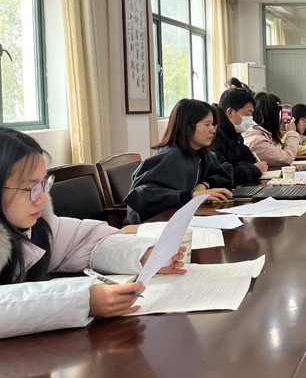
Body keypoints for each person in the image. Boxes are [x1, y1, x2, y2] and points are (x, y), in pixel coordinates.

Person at [0, 127, 186, 339]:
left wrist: (144, 255)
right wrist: (84, 300)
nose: (42, 197)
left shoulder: (38, 224)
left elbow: (85, 240)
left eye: (44, 184)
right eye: (31, 188)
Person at [124, 99, 233, 225]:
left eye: (213, 125)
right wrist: (192, 196)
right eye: (207, 125)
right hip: (151, 226)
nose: (213, 130)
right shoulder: (169, 157)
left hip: (180, 218)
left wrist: (204, 185)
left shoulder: (201, 154)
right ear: (187, 127)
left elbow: (224, 170)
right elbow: (142, 195)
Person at [212, 88, 269, 183]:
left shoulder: (234, 132)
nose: (250, 119)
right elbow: (222, 172)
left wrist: (238, 167)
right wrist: (253, 169)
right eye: (247, 114)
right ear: (230, 112)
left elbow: (250, 159)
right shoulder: (213, 134)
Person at [243, 92, 300, 167]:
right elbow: (286, 158)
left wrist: (281, 131)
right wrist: (291, 133)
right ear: (272, 116)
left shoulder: (258, 133)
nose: (280, 119)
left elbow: (274, 150)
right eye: (278, 114)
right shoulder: (256, 141)